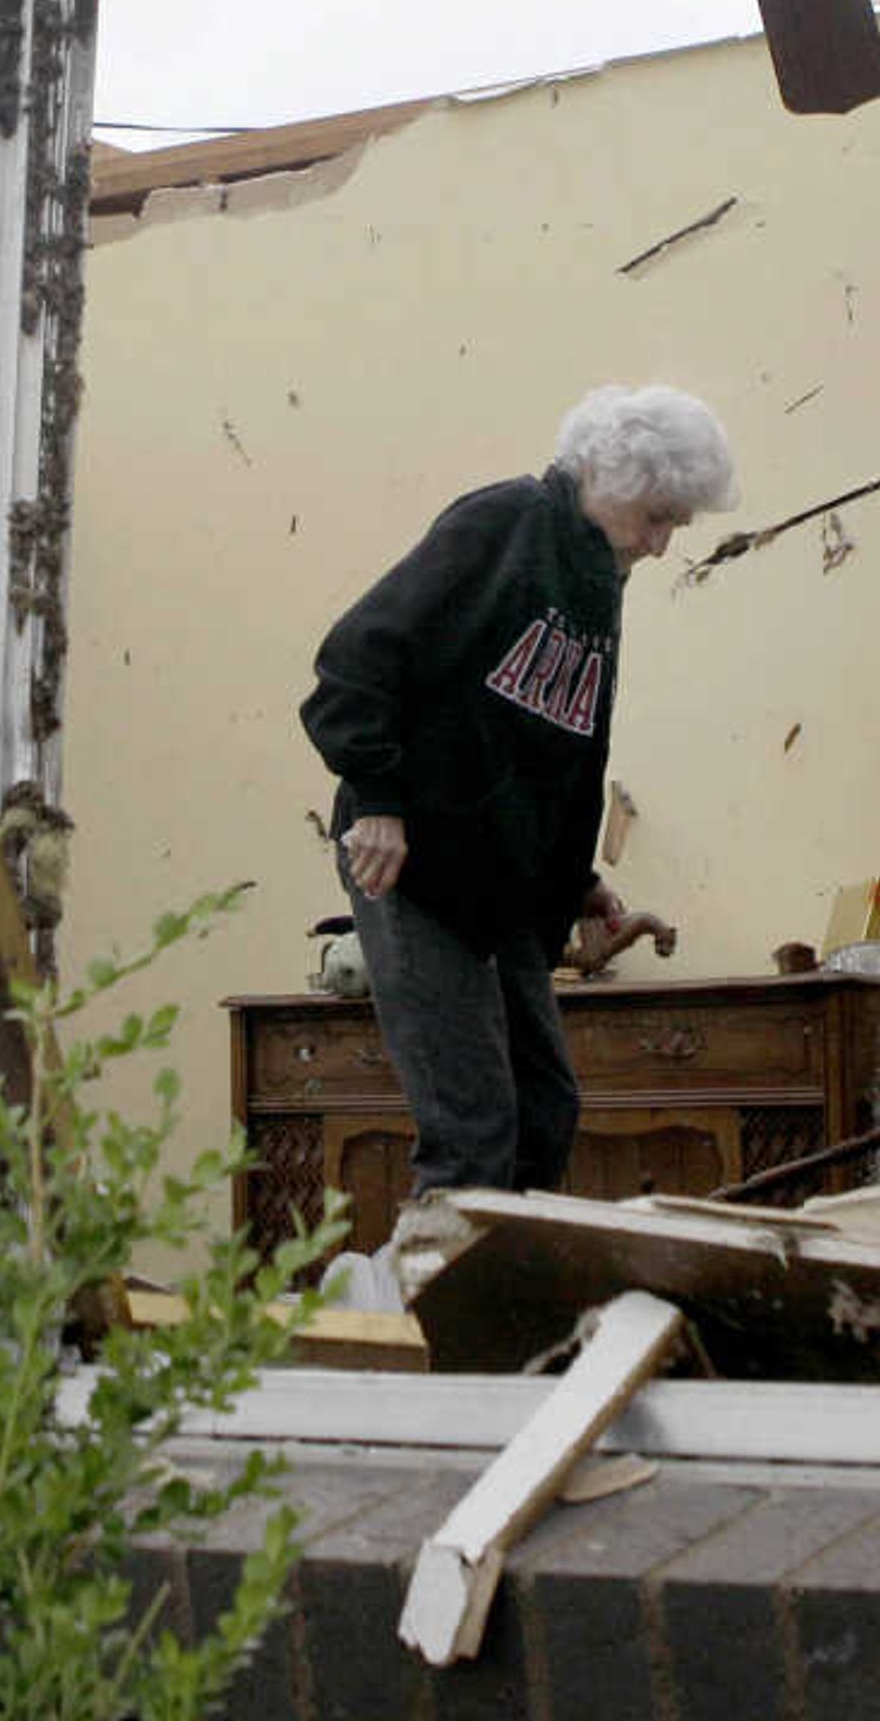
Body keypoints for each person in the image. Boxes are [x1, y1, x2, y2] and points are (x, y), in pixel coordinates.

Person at [298, 384, 737, 1197]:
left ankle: (506, 1306)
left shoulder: (597, 581)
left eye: (677, 523)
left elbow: (561, 754)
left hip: (501, 888)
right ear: (612, 477)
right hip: (413, 866)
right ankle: (440, 1321)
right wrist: (380, 798)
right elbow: (353, 663)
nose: (665, 544)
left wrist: (579, 883)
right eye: (660, 517)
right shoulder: (501, 525)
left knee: (545, 1113)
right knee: (471, 1132)